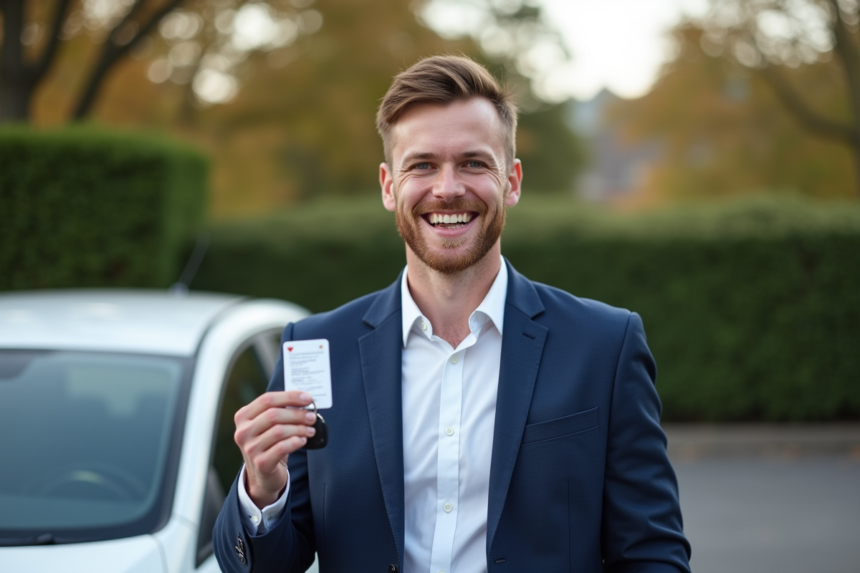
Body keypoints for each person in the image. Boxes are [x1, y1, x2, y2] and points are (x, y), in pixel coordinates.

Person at [213, 55, 691, 573]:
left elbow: (651, 553)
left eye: (473, 162)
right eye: (422, 165)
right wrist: (263, 492)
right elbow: (268, 566)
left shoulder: (604, 346)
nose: (447, 188)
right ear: (388, 185)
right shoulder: (316, 348)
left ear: (511, 181)